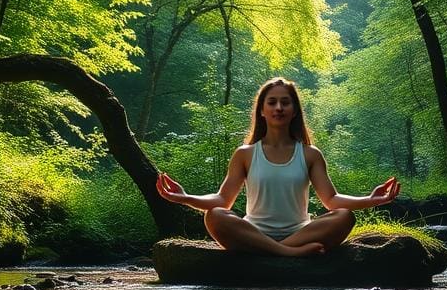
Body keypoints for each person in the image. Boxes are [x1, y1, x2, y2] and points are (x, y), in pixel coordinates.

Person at [156, 77, 401, 256]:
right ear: (261, 110)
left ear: (295, 111)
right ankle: (288, 253)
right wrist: (184, 197)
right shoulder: (245, 154)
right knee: (216, 216)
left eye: (285, 102)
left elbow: (332, 200)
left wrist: (371, 200)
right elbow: (223, 200)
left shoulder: (310, 154)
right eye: (272, 102)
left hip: (301, 232)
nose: (279, 108)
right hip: (254, 232)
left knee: (344, 217)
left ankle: (277, 249)